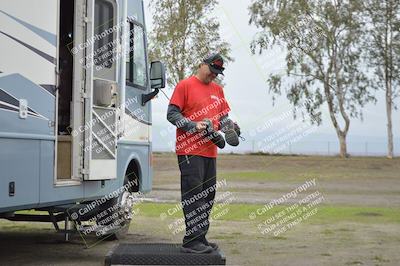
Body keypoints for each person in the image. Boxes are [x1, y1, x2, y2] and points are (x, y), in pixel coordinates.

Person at [167, 53, 240, 254]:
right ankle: (191, 241)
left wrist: (232, 128)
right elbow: (171, 114)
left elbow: (224, 118)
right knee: (194, 195)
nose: (213, 76)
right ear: (201, 65)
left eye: (217, 73)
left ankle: (201, 237)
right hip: (189, 150)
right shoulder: (185, 86)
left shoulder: (218, 90)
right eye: (211, 71)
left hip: (210, 152)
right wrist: (192, 125)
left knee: (208, 196)